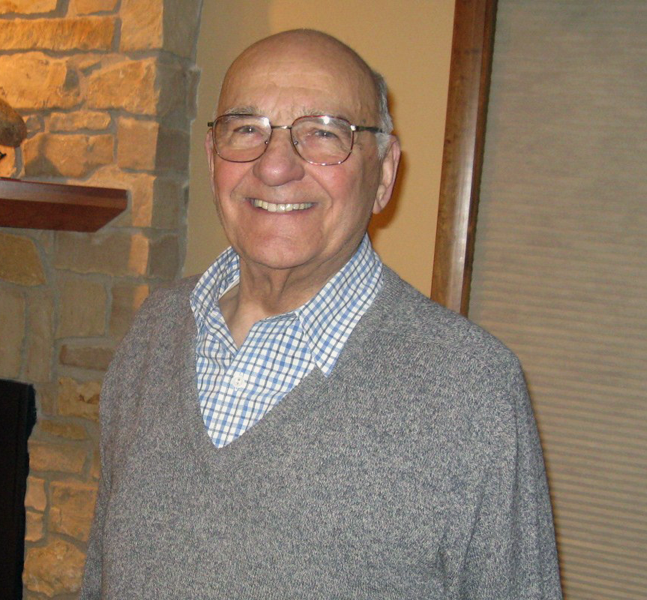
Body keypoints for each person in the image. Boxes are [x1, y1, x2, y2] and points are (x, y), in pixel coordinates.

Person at [80, 29, 562, 599]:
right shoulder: (155, 328)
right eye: (246, 129)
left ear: (384, 173)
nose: (275, 167)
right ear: (212, 159)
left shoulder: (474, 390)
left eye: (324, 133)